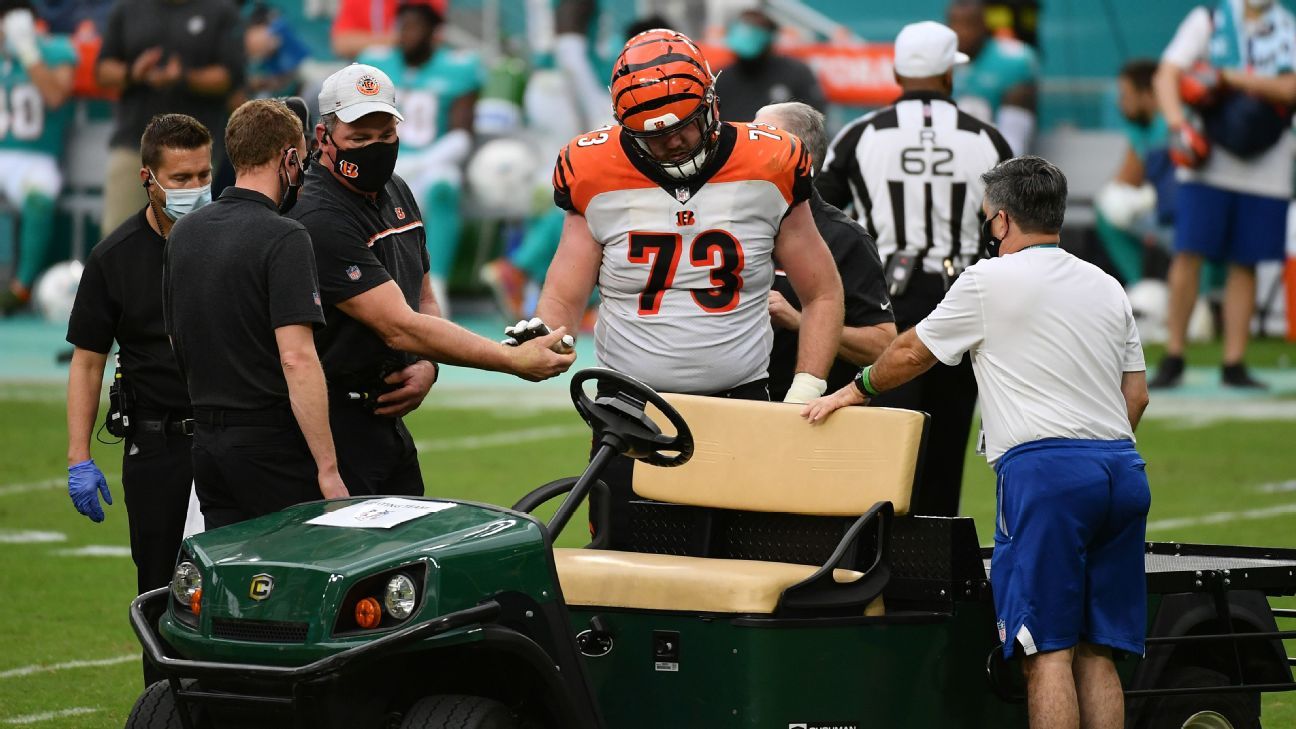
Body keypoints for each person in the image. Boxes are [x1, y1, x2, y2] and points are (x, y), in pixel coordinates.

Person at [803, 156, 1151, 729]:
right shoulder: (1106, 284)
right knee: (1099, 651)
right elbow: (1134, 396)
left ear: (1000, 221)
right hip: (1120, 466)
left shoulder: (987, 280)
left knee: (1047, 651)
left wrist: (852, 390)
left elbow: (913, 353)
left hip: (1048, 475)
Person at [536, 29, 844, 540]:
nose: (672, 141)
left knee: (740, 563)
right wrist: (549, 336)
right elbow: (564, 295)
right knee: (625, 568)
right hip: (628, 412)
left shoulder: (772, 160)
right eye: (654, 135)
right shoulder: (591, 167)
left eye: (682, 126)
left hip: (741, 402)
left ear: (711, 102)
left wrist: (804, 392)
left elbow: (823, 293)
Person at [290, 64, 574, 497]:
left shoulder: (396, 189)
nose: (375, 149)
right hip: (332, 424)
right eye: (359, 139)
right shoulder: (318, 215)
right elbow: (397, 324)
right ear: (322, 139)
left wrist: (427, 365)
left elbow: (423, 297)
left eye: (385, 136)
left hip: (386, 419)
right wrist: (509, 360)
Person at [816, 21, 1013, 517]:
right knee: (944, 450)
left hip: (881, 302)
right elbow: (1010, 228)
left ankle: (871, 558)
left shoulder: (859, 134)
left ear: (900, 71)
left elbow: (818, 217)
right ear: (948, 73)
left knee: (880, 450)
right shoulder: (987, 139)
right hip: (962, 301)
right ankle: (937, 570)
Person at [64, 113, 211, 687]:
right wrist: (80, 457)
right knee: (158, 593)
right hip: (158, 445)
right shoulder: (115, 257)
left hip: (235, 438)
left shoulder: (235, 238)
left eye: (203, 173)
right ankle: (165, 709)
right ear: (147, 177)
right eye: (180, 178)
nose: (194, 189)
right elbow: (88, 360)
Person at [165, 99, 346, 529]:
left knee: (230, 581)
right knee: (288, 582)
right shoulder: (285, 236)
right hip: (270, 443)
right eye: (301, 160)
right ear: (287, 157)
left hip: (206, 440)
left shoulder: (184, 231)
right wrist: (328, 469)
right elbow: (296, 357)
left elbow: (177, 340)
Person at [1149, 0, 1296, 389]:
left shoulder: (1287, 27)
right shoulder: (1210, 19)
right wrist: (1178, 125)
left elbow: (1290, 87)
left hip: (1267, 161)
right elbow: (1167, 74)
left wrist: (1230, 79)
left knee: (1246, 261)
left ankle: (1234, 361)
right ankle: (1174, 353)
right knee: (1188, 253)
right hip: (1207, 159)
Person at [753, 101, 895, 400]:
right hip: (727, 402)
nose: (744, 149)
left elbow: (882, 347)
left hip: (806, 415)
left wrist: (800, 320)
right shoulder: (726, 220)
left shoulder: (845, 238)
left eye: (759, 138)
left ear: (796, 157)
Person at [359, 1, 481, 312]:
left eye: (415, 27)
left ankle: (436, 284)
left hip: (431, 163)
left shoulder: (458, 66)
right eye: (403, 27)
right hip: (381, 159)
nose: (407, 35)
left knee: (445, 183)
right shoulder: (374, 64)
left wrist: (420, 162)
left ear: (434, 34)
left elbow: (461, 134)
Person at [96, 0, 243, 232]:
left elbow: (229, 78)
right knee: (118, 237)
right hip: (134, 144)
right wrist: (134, 73)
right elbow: (103, 71)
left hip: (194, 152)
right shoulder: (126, 8)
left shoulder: (221, 11)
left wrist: (184, 77)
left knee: (189, 239)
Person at [0, 2, 75, 313]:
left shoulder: (55, 49)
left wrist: (28, 53)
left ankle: (21, 287)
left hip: (37, 157)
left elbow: (57, 96)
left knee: (39, 199)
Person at [1094, 59, 1177, 286]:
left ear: (1149, 94)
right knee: (1107, 211)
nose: (1121, 104)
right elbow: (1124, 182)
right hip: (1163, 215)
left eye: (1126, 95)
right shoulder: (1141, 128)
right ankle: (1142, 289)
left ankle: (1202, 299)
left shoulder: (1172, 124)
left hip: (1183, 219)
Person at [947, 0, 1039, 155]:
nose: (961, 32)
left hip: (996, 150)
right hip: (946, 150)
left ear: (984, 26)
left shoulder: (1013, 58)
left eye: (969, 24)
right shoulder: (941, 58)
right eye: (955, 24)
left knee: (1020, 93)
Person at [713, 8, 826, 124]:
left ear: (770, 38)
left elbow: (814, 122)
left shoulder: (796, 73)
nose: (748, 35)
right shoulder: (719, 78)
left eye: (755, 30)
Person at [332, 0, 445, 60]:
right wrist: (399, 39)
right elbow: (342, 44)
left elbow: (435, 39)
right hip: (369, 70)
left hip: (416, 68)